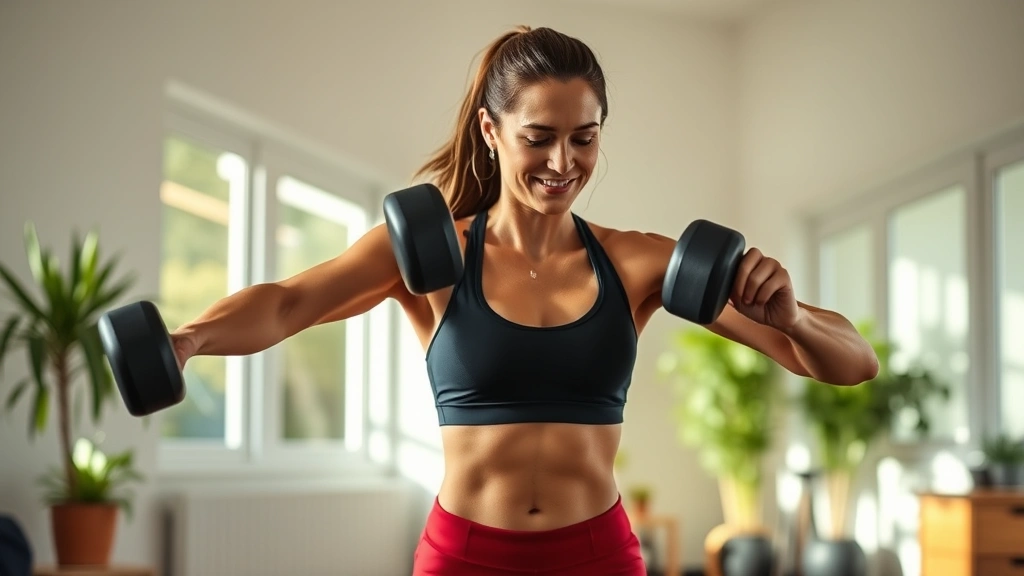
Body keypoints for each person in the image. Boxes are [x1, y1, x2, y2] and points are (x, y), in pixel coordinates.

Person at [168, 25, 879, 576]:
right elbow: (291, 303)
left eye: (585, 138)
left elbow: (852, 364)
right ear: (491, 131)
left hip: (597, 554)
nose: (564, 163)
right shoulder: (430, 255)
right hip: (465, 555)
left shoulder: (638, 264)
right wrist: (190, 340)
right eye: (539, 138)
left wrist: (793, 316)